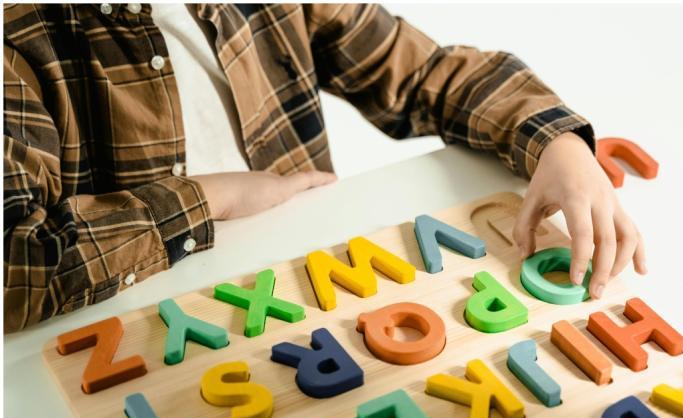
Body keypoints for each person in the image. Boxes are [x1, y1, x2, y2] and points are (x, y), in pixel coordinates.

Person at [3, 3, 646, 333]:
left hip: (319, 298)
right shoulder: (18, 40)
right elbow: (16, 264)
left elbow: (424, 74)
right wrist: (208, 198)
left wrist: (559, 144)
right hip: (151, 326)